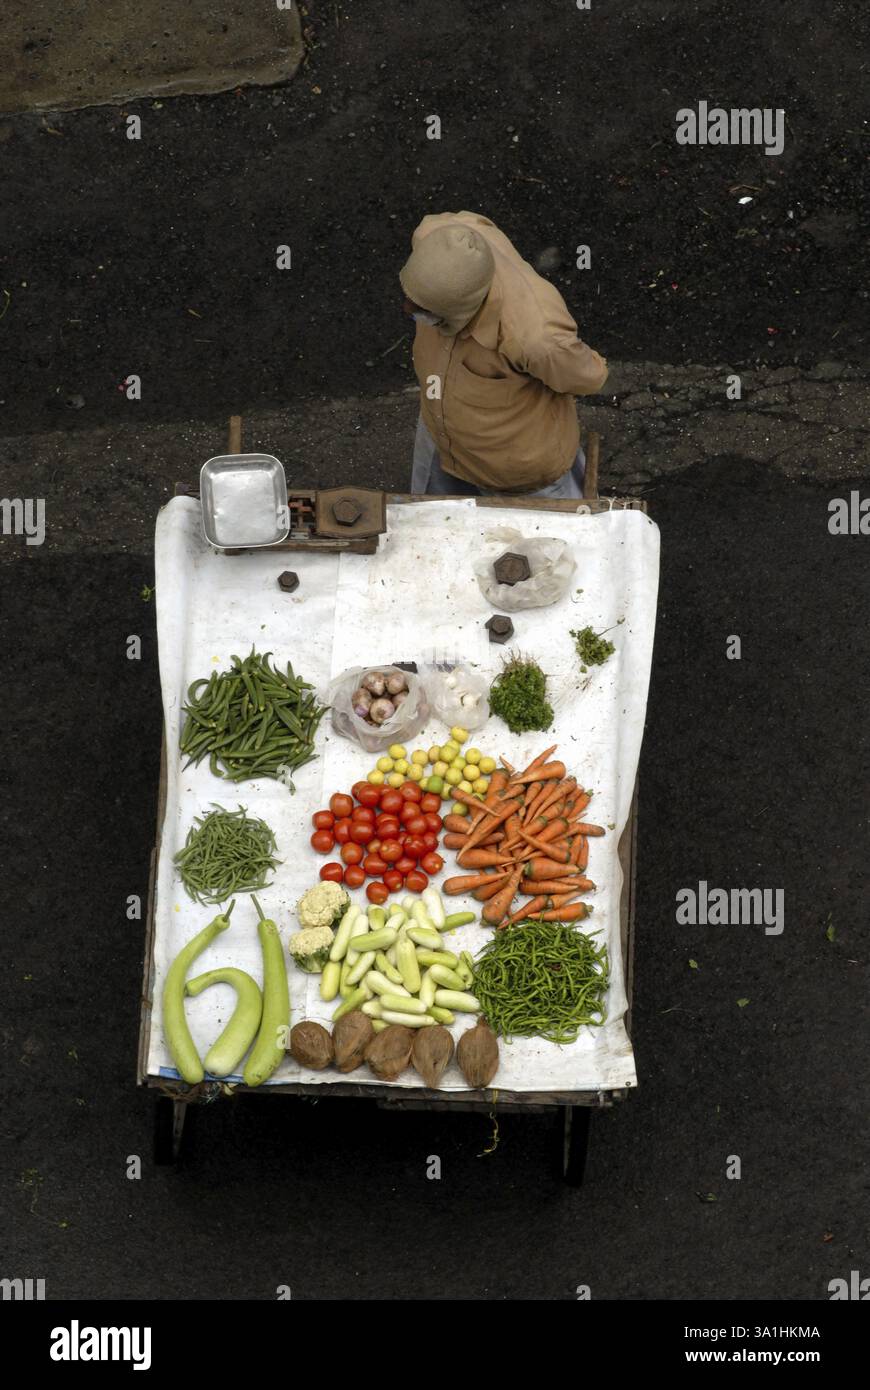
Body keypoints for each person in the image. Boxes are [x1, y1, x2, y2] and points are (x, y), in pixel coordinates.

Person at [400, 211, 609, 498]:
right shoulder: (436, 235)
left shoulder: (538, 337)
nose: (408, 310)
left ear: (467, 308)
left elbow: (588, 377)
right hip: (442, 441)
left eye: (425, 311)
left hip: (517, 473)